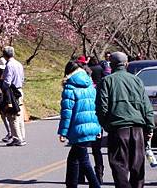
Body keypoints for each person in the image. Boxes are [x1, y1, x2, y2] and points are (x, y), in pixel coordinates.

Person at [96, 51, 154, 188]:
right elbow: (146, 105)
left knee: (119, 166)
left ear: (111, 64)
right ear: (126, 64)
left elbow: (101, 107)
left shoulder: (106, 81)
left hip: (117, 128)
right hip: (137, 129)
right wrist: (149, 127)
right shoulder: (136, 80)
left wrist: (106, 125)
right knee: (137, 166)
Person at [58, 60, 102, 188]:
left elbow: (67, 112)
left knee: (81, 160)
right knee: (75, 159)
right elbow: (96, 108)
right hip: (91, 127)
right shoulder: (90, 85)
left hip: (79, 129)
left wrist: (63, 132)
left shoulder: (69, 87)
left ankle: (95, 185)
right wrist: (98, 127)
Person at [87, 57, 107, 183]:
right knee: (96, 151)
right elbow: (101, 108)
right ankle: (99, 173)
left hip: (82, 127)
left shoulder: (78, 90)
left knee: (81, 151)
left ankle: (83, 175)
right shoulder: (98, 90)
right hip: (96, 124)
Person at [2, 46, 27, 146]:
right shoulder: (19, 64)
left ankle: (17, 138)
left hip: (12, 93)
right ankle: (22, 136)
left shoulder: (9, 65)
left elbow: (7, 81)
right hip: (19, 90)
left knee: (12, 116)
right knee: (19, 114)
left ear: (4, 55)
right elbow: (22, 78)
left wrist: (2, 85)